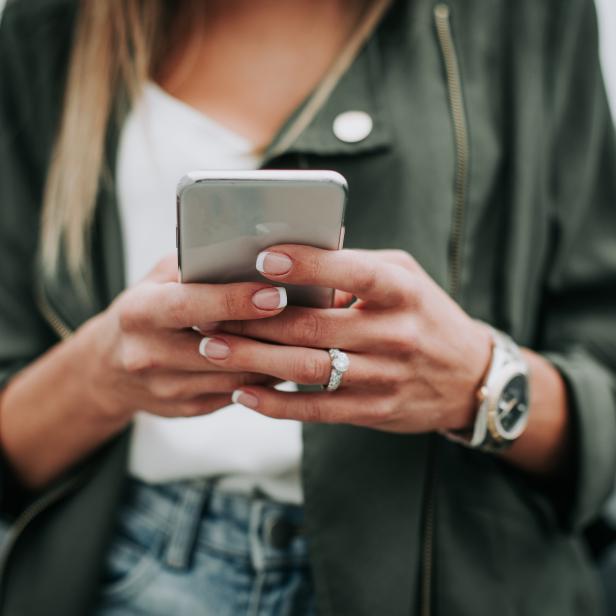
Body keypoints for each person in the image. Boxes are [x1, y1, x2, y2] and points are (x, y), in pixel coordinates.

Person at [0, 0, 615, 614]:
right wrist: (102, 373)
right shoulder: (55, 24)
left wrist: (480, 381)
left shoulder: (527, 16)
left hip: (459, 581)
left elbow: (604, 394)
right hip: (140, 572)